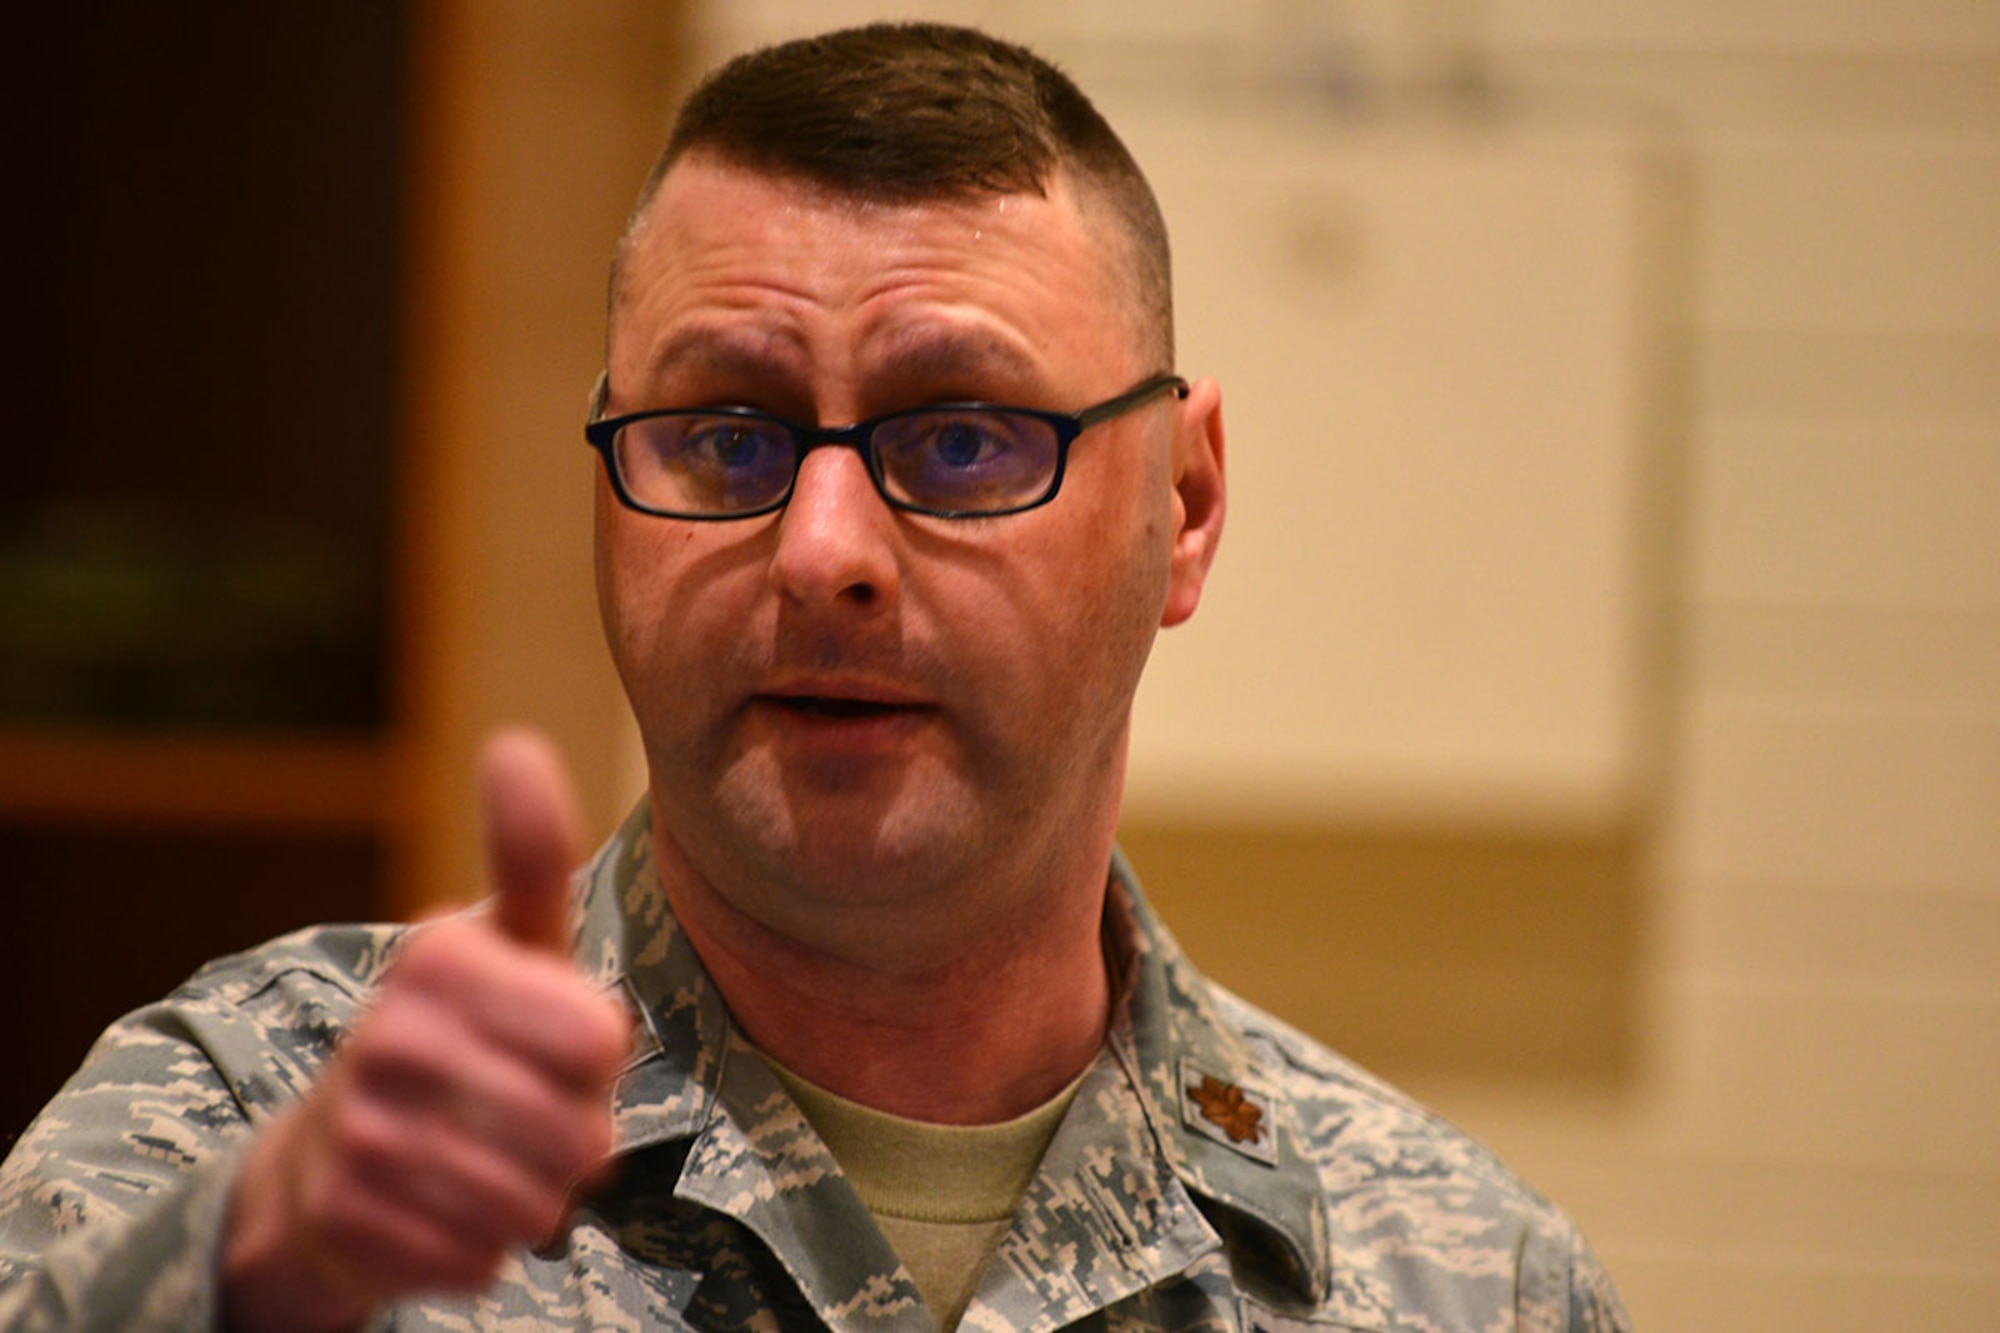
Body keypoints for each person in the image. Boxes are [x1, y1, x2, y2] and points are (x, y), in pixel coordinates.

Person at [0, 22, 1631, 1333]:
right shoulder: (242, 1138)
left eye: (964, 437)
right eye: (724, 436)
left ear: (1184, 510)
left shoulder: (1464, 1283)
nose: (819, 548)